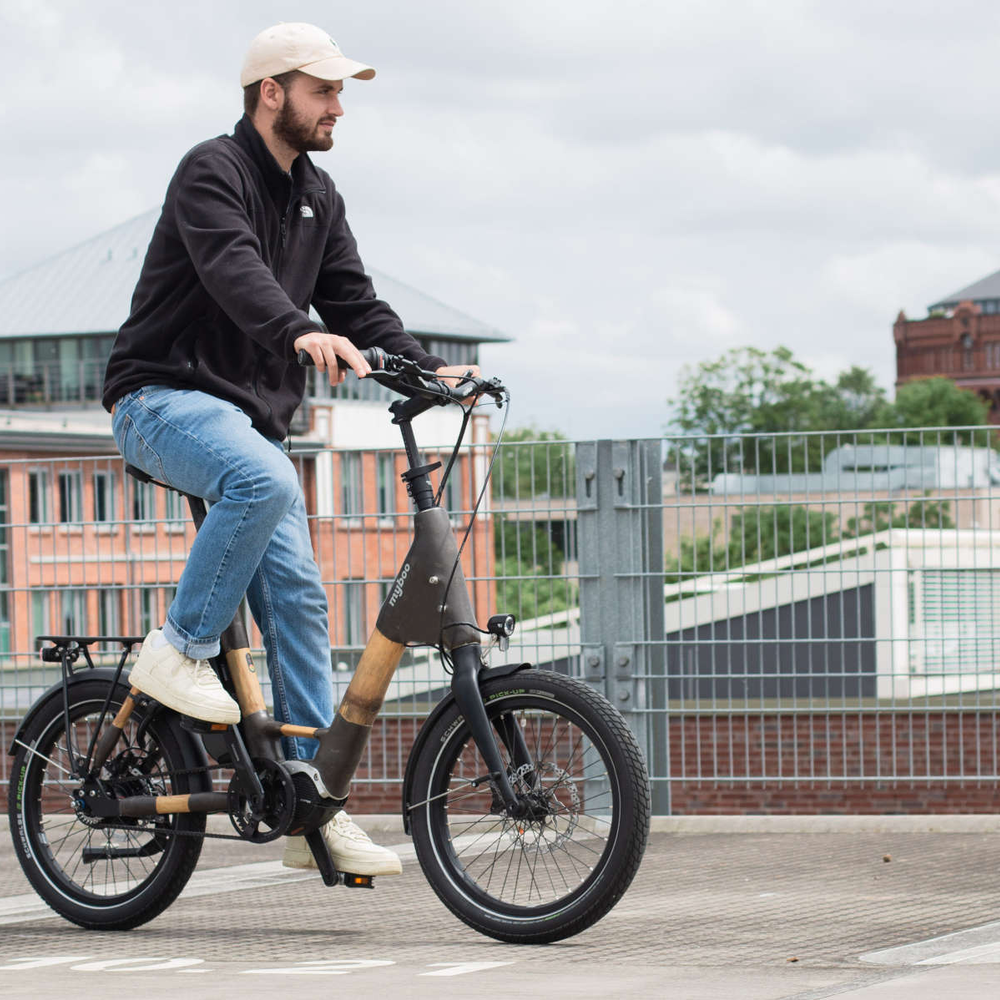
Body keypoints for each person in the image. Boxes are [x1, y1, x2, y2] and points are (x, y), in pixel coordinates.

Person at [101, 22, 479, 876]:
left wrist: (426, 368)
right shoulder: (213, 171)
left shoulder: (319, 194)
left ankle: (317, 806)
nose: (338, 107)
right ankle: (178, 649)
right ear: (272, 92)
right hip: (159, 397)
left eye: (341, 93)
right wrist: (297, 331)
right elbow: (236, 270)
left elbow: (356, 299)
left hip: (248, 425)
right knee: (262, 474)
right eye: (324, 91)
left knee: (303, 604)